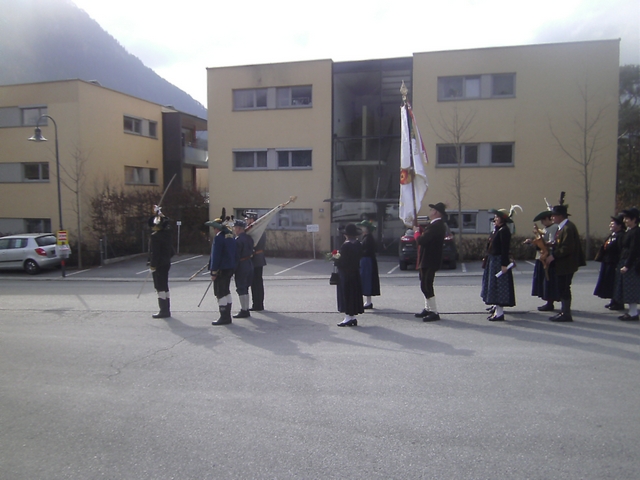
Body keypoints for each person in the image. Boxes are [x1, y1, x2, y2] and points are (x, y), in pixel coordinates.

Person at [544, 195, 586, 322]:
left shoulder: (567, 228)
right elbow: (561, 243)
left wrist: (553, 255)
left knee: (564, 287)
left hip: (567, 263)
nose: (552, 217)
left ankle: (566, 313)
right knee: (563, 286)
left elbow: (567, 247)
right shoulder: (562, 227)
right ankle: (564, 312)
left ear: (561, 216)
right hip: (564, 263)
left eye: (554, 215)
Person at [414, 202, 448, 321]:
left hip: (430, 259)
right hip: (427, 258)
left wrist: (416, 233)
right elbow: (429, 237)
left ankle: (434, 311)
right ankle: (428, 308)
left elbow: (422, 240)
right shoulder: (435, 225)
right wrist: (421, 230)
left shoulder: (437, 225)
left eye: (432, 210)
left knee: (426, 285)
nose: (430, 212)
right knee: (424, 283)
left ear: (435, 212)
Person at [481, 208, 516, 321]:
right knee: (493, 286)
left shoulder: (504, 231)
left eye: (497, 217)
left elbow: (504, 249)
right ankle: (496, 308)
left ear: (502, 219)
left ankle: (499, 313)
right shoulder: (498, 230)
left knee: (499, 287)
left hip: (499, 261)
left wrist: (504, 264)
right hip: (493, 260)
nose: (495, 219)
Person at [206, 212, 237, 325]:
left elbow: (216, 256)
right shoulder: (230, 236)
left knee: (220, 293)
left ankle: (224, 317)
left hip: (221, 269)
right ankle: (227, 316)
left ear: (216, 228)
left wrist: (213, 271)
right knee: (226, 291)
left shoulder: (219, 238)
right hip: (229, 267)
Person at [525, 210, 559, 312]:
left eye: (544, 220)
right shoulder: (545, 229)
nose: (543, 222)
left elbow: (551, 243)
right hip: (541, 256)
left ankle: (550, 302)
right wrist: (532, 242)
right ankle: (547, 300)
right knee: (543, 280)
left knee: (548, 280)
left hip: (547, 257)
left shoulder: (554, 228)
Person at [613, 207, 640, 321]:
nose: (625, 221)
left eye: (627, 218)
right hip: (625, 260)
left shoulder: (636, 232)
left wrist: (627, 265)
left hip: (632, 263)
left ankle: (633, 312)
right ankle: (632, 311)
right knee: (627, 288)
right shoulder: (630, 231)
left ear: (634, 220)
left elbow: (634, 250)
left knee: (631, 288)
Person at [594, 214, 625, 310]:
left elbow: (621, 250)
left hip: (614, 262)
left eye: (613, 223)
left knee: (615, 282)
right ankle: (613, 300)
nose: (610, 225)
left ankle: (618, 302)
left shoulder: (621, 236)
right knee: (609, 282)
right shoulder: (612, 235)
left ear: (620, 225)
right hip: (607, 262)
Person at [335, 223, 364, 327]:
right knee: (353, 294)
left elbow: (342, 261)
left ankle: (348, 317)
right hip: (355, 272)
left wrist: (335, 259)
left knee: (346, 294)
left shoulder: (346, 245)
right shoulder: (358, 244)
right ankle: (352, 317)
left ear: (346, 234)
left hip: (346, 273)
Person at [148, 206, 174, 318]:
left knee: (159, 287)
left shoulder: (155, 237)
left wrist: (153, 265)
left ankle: (163, 310)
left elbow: (155, 253)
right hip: (166, 262)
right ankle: (166, 309)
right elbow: (167, 222)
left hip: (159, 264)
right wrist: (160, 213)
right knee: (165, 285)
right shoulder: (167, 234)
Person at [232, 218, 254, 318]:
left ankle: (244, 310)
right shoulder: (249, 238)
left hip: (241, 265)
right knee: (245, 287)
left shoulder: (238, 240)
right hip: (249, 263)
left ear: (239, 228)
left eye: (235, 227)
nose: (234, 229)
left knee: (241, 287)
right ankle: (246, 308)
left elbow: (236, 255)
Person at [245, 210, 266, 312]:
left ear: (252, 219)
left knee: (256, 282)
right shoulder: (255, 229)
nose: (247, 221)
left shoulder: (256, 231)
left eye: (248, 219)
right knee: (256, 282)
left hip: (256, 258)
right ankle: (257, 303)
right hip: (257, 258)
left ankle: (258, 304)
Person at [356, 219, 380, 309]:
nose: (361, 229)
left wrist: (359, 251)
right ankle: (367, 301)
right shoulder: (367, 237)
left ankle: (368, 302)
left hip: (367, 261)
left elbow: (368, 250)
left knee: (367, 280)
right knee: (366, 280)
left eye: (362, 227)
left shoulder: (368, 238)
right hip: (366, 260)